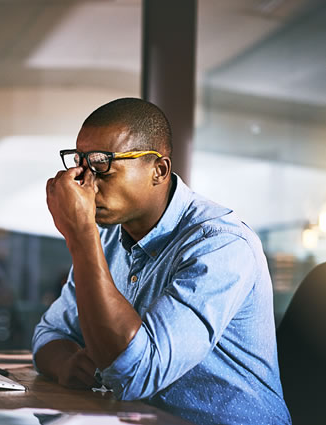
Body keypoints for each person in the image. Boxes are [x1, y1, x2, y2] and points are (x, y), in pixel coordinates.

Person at [32, 98, 291, 425]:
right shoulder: (111, 238)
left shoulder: (220, 245)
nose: (84, 181)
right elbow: (49, 334)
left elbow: (136, 372)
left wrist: (80, 234)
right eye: (80, 163)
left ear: (159, 170)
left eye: (101, 164)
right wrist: (67, 363)